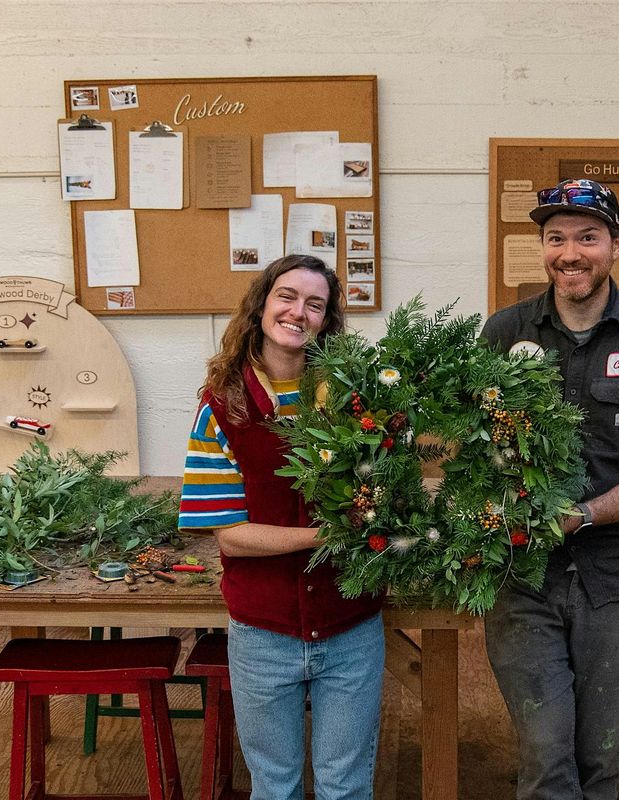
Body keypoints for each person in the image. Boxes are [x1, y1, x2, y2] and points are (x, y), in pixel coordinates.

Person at [480, 178, 619, 800]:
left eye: (587, 237)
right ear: (541, 247)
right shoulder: (504, 333)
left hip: (617, 576)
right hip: (522, 573)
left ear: (616, 246)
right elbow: (472, 449)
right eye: (555, 238)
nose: (570, 252)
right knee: (546, 755)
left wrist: (583, 515)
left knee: (601, 760)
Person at [178, 254, 385, 800]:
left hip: (351, 626)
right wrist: (329, 536)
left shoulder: (353, 401)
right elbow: (229, 535)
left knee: (345, 786)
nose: (299, 312)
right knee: (275, 786)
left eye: (315, 304)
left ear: (327, 320)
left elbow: (390, 486)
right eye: (287, 297)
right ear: (262, 305)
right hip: (263, 631)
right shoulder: (224, 407)